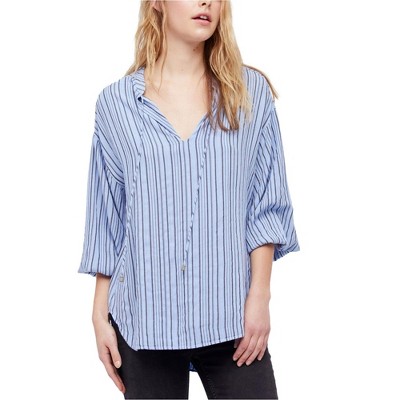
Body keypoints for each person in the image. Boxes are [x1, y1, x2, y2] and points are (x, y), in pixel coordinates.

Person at [78, 0, 300, 398]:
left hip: (232, 318)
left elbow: (265, 204)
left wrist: (260, 296)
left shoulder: (249, 94)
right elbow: (108, 218)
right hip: (145, 322)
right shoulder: (116, 106)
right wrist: (99, 316)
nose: (207, 2)